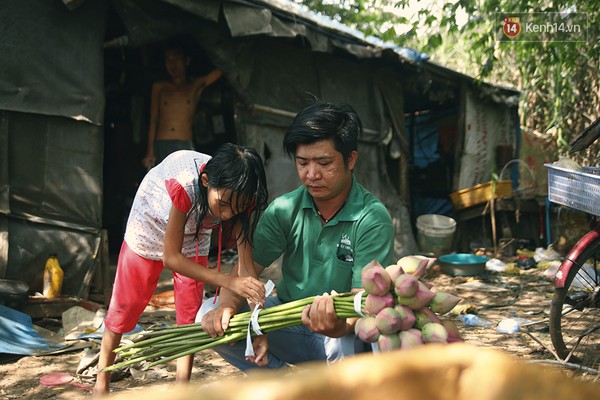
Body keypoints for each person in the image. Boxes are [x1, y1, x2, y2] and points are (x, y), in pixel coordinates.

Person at [201, 102, 394, 370]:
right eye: (303, 163)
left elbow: (364, 301)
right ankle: (281, 384)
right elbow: (244, 274)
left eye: (324, 163)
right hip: (287, 320)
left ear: (350, 159)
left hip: (340, 333)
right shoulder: (284, 209)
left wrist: (338, 326)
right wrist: (226, 306)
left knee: (358, 340)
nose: (311, 175)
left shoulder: (372, 218)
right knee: (208, 316)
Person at [93, 143, 269, 396]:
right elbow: (171, 258)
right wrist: (228, 282)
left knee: (189, 312)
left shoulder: (240, 195)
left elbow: (246, 267)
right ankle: (102, 383)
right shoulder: (186, 186)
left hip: (195, 229)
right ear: (206, 181)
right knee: (125, 305)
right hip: (150, 221)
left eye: (237, 208)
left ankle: (181, 388)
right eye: (224, 204)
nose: (229, 215)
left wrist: (258, 327)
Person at [142, 44, 223, 170]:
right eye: (168, 59)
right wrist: (150, 152)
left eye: (176, 58)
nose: (172, 64)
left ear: (187, 61)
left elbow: (221, 70)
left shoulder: (195, 86)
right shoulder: (159, 87)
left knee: (185, 186)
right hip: (162, 143)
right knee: (163, 187)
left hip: (184, 144)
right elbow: (153, 120)